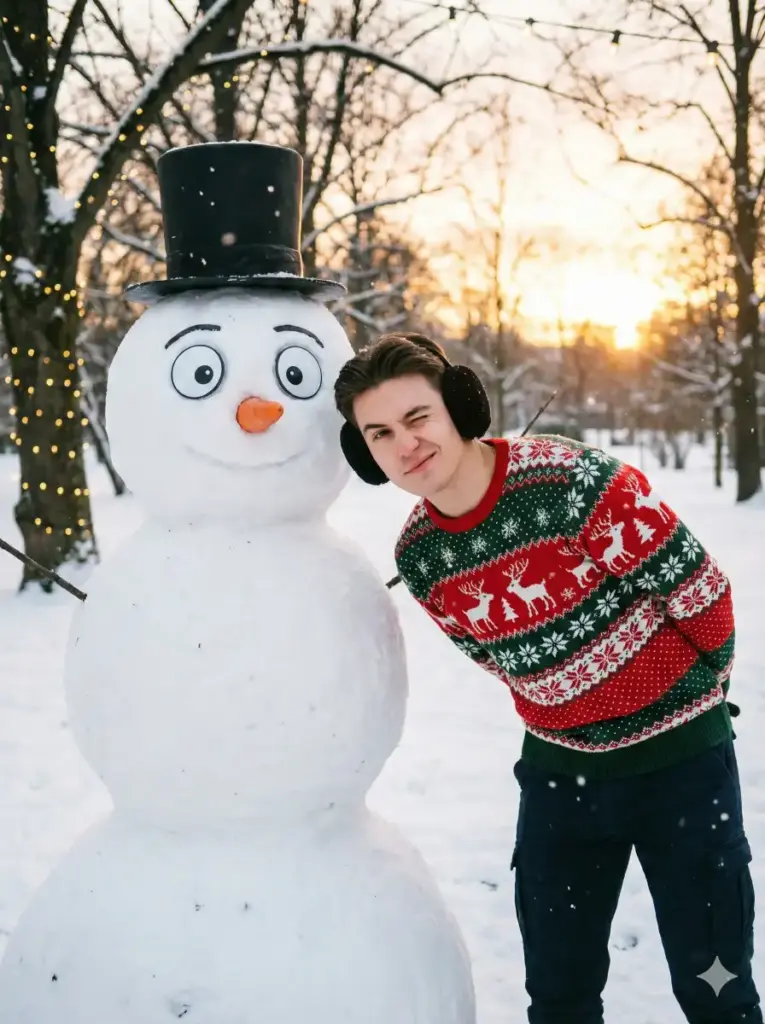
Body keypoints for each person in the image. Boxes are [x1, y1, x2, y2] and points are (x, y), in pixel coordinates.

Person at [333, 331, 761, 1024]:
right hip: (561, 781)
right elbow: (490, 655)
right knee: (559, 997)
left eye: (416, 417)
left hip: (682, 768)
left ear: (459, 406)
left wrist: (691, 701)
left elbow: (700, 592)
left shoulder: (571, 482)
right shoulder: (421, 556)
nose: (405, 444)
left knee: (717, 991)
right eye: (379, 434)